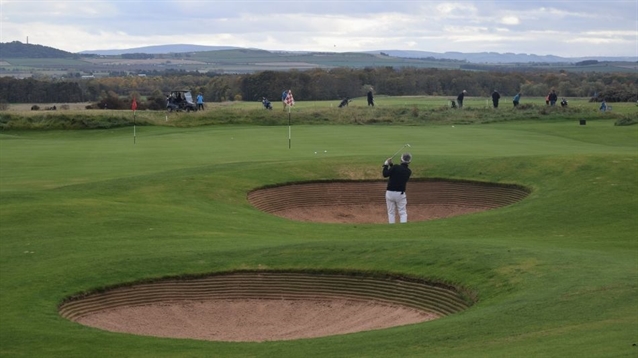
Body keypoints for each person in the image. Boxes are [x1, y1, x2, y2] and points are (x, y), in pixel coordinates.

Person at [382, 153, 412, 224]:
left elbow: (385, 174)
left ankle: (392, 228)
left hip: (390, 193)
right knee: (402, 212)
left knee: (391, 212)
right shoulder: (408, 171)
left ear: (401, 159)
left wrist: (386, 165)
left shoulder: (395, 167)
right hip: (400, 194)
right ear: (409, 161)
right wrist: (391, 165)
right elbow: (398, 173)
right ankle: (403, 229)